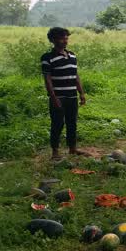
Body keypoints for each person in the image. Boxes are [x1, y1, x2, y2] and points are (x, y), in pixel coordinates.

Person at [41, 27, 87, 159]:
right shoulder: (47, 57)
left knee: (72, 122)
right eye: (61, 38)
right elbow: (47, 79)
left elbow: (75, 75)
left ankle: (73, 148)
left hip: (72, 96)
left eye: (66, 38)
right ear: (53, 40)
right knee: (57, 123)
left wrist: (81, 93)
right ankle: (55, 151)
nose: (65, 41)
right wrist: (53, 97)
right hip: (58, 97)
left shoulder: (72, 55)